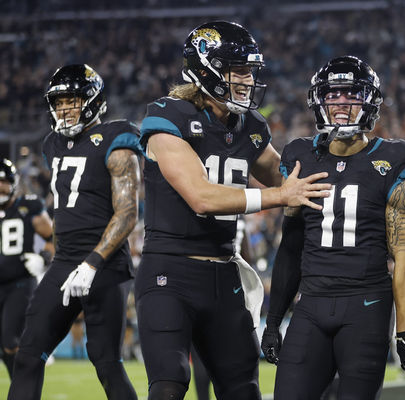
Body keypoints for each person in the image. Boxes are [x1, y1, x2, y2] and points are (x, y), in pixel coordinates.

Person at [135, 21, 330, 400]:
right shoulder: (167, 118)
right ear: (206, 69)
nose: (246, 80)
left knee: (244, 389)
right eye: (237, 70)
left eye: (249, 72)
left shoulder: (248, 127)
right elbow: (202, 197)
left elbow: (287, 178)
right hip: (170, 273)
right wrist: (280, 196)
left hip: (225, 276)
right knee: (170, 384)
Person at [260, 55, 405, 400]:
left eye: (351, 95)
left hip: (366, 305)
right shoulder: (300, 155)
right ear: (319, 100)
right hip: (311, 303)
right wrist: (273, 320)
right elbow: (291, 246)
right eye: (333, 95)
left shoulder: (393, 161)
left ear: (368, 101)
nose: (341, 103)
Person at [8, 64, 141, 400]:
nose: (64, 109)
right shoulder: (52, 144)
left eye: (72, 100)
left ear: (92, 100)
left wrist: (93, 262)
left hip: (105, 264)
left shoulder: (116, 137)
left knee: (106, 362)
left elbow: (127, 213)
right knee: (27, 354)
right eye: (59, 102)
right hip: (64, 261)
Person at [0, 159, 53, 378]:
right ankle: (20, 387)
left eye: (3, 181)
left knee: (11, 341)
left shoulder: (27, 205)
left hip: (20, 282)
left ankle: (24, 388)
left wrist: (43, 258)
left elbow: (53, 238)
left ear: (13, 182)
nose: (0, 187)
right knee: (5, 346)